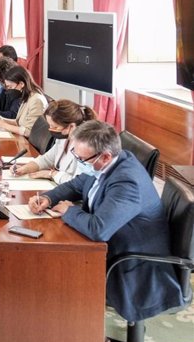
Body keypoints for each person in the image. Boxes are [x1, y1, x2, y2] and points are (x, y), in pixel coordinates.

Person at [28, 120, 184, 323]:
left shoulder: (127, 183)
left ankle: (86, 340)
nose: (78, 160)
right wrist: (49, 197)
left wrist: (70, 211)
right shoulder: (109, 163)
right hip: (113, 245)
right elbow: (78, 183)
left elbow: (99, 229)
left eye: (81, 158)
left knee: (57, 271)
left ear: (106, 156)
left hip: (132, 263)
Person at [13, 100, 96, 183]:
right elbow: (47, 159)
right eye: (50, 125)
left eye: (54, 127)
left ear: (71, 126)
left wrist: (52, 174)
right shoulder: (63, 138)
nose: (50, 129)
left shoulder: (86, 147)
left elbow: (78, 183)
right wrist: (26, 168)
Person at [0, 65, 47, 137]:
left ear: (21, 84)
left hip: (29, 144)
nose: (9, 90)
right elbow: (19, 122)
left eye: (10, 87)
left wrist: (4, 125)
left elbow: (29, 131)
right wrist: (3, 119)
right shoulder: (27, 96)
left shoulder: (37, 100)